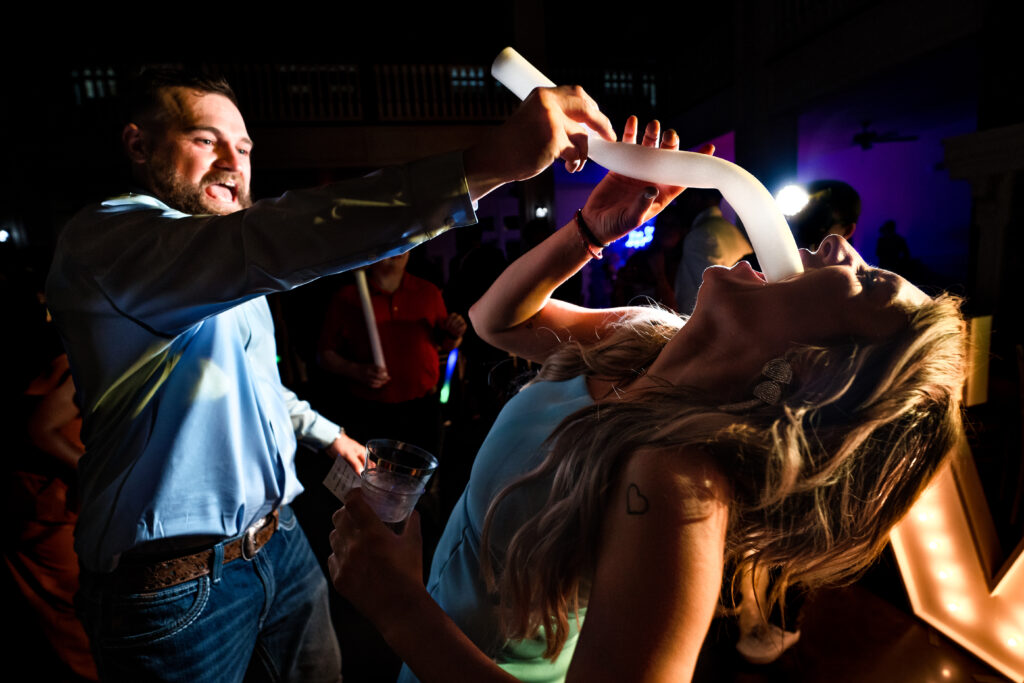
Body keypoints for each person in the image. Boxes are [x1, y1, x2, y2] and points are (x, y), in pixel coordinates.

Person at [327, 118, 967, 682]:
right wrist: (590, 230)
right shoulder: (645, 336)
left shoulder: (678, 485)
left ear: (815, 375)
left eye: (867, 280)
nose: (837, 248)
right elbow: (498, 321)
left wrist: (397, 608)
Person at [44, 67, 617, 683]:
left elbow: (260, 388)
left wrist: (329, 434)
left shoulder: (223, 272)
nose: (232, 163)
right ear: (139, 145)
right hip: (174, 584)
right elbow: (273, 238)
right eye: (205, 140)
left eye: (243, 148)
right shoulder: (109, 242)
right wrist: (487, 163)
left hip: (281, 543)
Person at [317, 250, 464, 454]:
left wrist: (454, 335)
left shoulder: (428, 292)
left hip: (422, 409)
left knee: (421, 481)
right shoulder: (347, 297)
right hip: (369, 412)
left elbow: (444, 344)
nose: (400, 250)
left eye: (405, 244)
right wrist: (355, 370)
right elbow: (324, 355)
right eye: (392, 244)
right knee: (372, 481)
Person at [674, 188, 751, 315]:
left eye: (682, 196)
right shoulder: (733, 232)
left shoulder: (699, 236)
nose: (677, 203)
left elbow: (714, 290)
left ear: (695, 197)